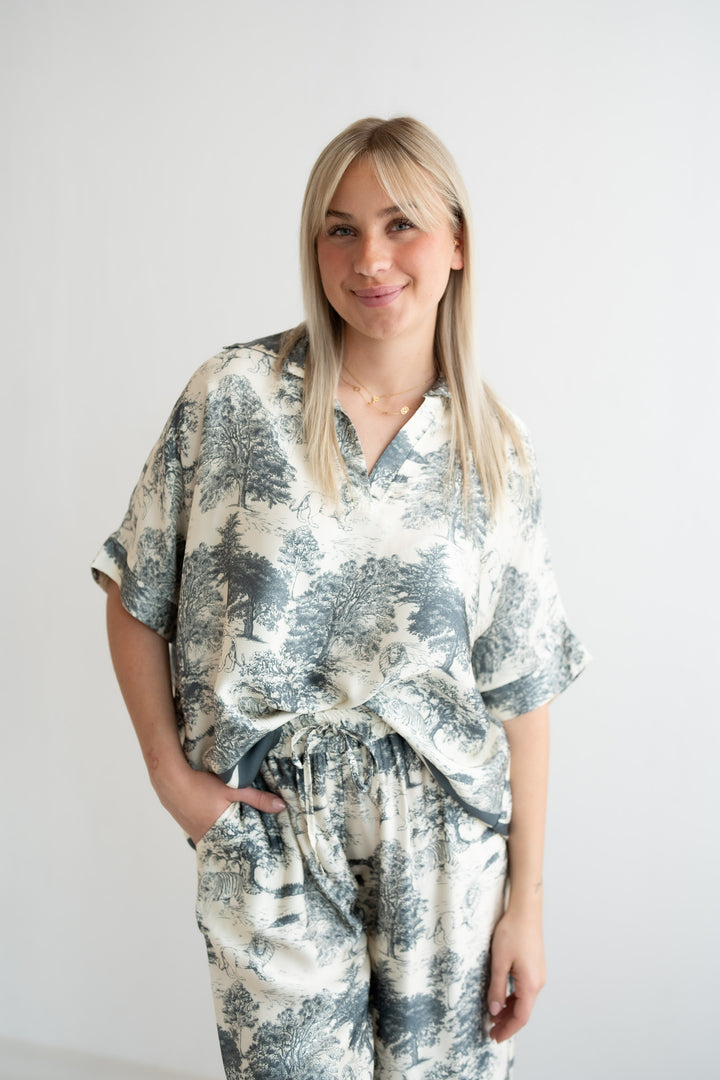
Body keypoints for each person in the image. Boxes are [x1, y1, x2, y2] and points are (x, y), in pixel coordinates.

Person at [92, 116, 589, 1079]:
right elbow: (134, 585)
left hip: (450, 849)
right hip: (269, 829)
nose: (370, 259)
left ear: (456, 243)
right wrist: (172, 779)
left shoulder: (496, 447)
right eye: (341, 229)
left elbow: (522, 692)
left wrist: (525, 907)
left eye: (401, 224)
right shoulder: (235, 395)